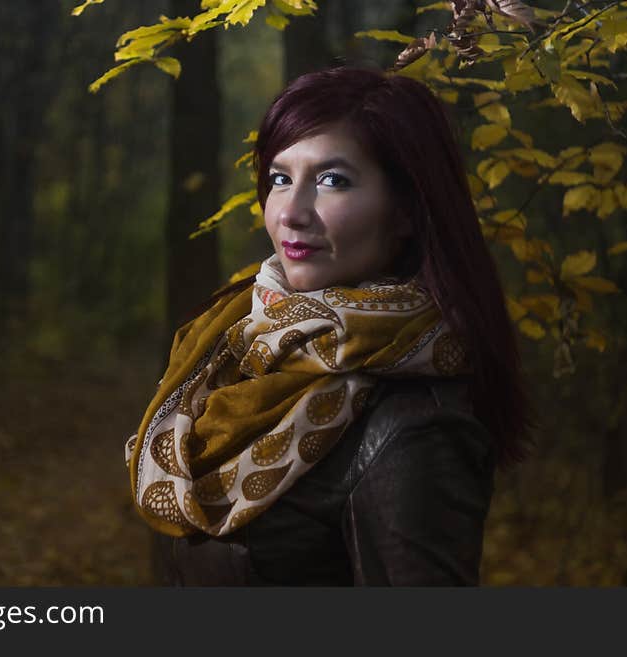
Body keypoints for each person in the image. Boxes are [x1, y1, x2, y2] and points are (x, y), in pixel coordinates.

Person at [125, 65, 537, 586]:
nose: (292, 212)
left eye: (331, 181)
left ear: (408, 209)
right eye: (280, 179)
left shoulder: (412, 426)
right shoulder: (232, 348)